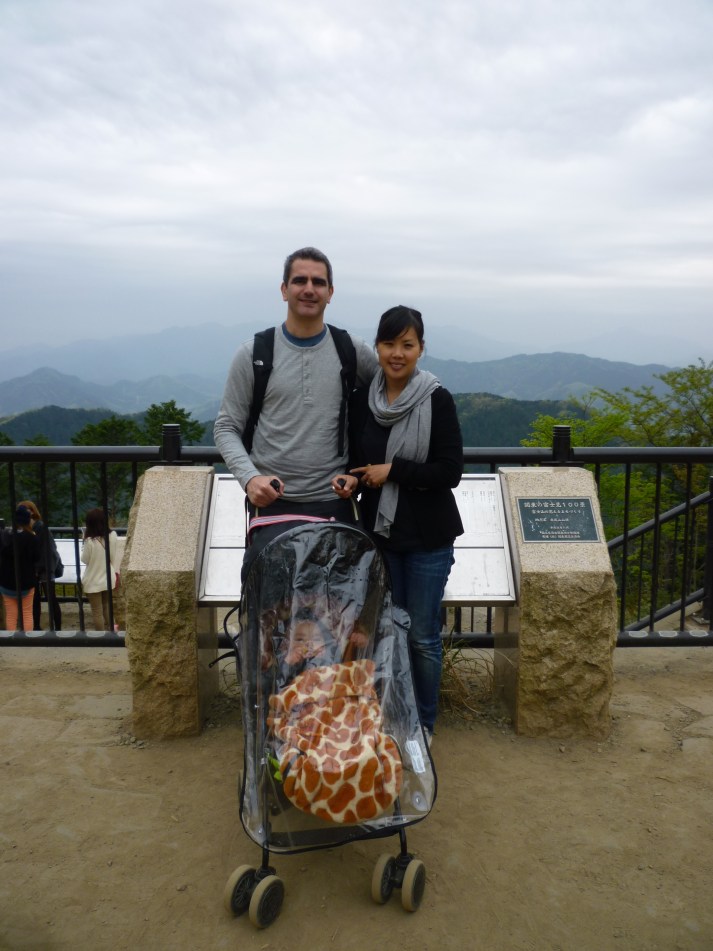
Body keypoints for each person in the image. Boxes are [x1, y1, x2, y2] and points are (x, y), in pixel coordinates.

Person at [334, 305, 464, 742]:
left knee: (423, 636)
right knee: (387, 630)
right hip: (381, 536)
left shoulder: (436, 399)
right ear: (378, 347)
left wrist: (394, 470)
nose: (397, 353)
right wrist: (353, 478)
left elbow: (449, 472)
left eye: (407, 345)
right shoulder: (364, 399)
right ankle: (392, 714)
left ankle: (424, 723)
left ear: (421, 349)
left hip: (428, 539)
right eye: (389, 344)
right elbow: (357, 459)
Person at [214, 247, 377, 578]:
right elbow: (227, 427)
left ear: (330, 293)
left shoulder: (352, 351)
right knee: (273, 615)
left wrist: (367, 470)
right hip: (273, 504)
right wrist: (250, 478)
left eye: (319, 282)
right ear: (284, 289)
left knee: (336, 615)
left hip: (335, 502)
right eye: (299, 280)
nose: (309, 289)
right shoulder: (254, 354)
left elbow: (393, 397)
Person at [19, 500, 63, 631]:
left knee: (51, 600)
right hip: (34, 569)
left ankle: (57, 628)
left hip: (45, 569)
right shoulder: (27, 528)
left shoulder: (40, 528)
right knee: (35, 600)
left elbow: (49, 550)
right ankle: (36, 627)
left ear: (32, 511)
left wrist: (41, 568)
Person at [0, 504, 42, 631]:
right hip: (26, 581)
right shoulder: (32, 537)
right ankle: (27, 639)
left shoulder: (5, 536)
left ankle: (11, 639)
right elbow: (37, 557)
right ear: (27, 520)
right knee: (26, 613)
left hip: (6, 581)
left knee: (11, 614)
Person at [80, 507, 119, 631]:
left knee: (97, 611)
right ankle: (112, 632)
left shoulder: (89, 541)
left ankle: (100, 636)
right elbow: (113, 557)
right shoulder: (112, 535)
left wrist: (83, 541)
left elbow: (84, 559)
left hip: (93, 580)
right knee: (107, 607)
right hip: (108, 577)